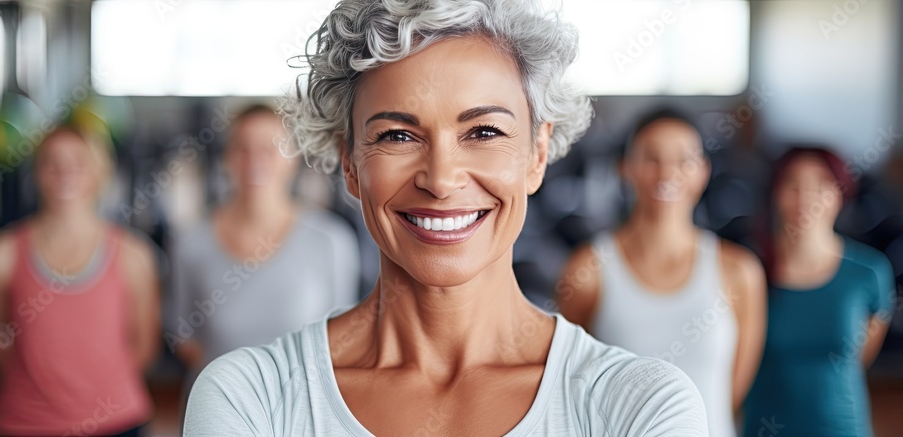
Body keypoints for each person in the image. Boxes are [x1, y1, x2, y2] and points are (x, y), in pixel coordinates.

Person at [184, 1, 708, 435]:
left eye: (483, 132)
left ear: (537, 153)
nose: (440, 178)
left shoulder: (643, 409)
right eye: (398, 135)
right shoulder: (250, 400)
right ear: (349, 163)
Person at [556, 109, 767, 437]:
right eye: (651, 158)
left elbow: (733, 390)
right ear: (625, 168)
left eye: (684, 160)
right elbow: (573, 380)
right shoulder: (587, 270)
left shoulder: (740, 271)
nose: (667, 172)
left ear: (703, 172)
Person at [0, 126, 158, 436]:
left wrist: (88, 395)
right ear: (37, 173)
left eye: (78, 162)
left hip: (118, 423)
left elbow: (143, 346)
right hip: (25, 423)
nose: (64, 173)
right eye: (51, 162)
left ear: (99, 172)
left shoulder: (134, 255)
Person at [168, 104, 360, 395]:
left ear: (293, 157)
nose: (255, 159)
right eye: (242, 148)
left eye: (270, 147)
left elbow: (345, 340)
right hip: (218, 409)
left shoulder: (332, 241)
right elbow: (184, 339)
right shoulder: (192, 242)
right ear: (227, 158)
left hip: (300, 413)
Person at [743, 147, 894, 437]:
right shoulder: (749, 271)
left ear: (840, 193)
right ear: (775, 192)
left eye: (821, 184)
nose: (805, 197)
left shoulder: (869, 273)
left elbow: (862, 354)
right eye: (793, 184)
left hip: (842, 428)